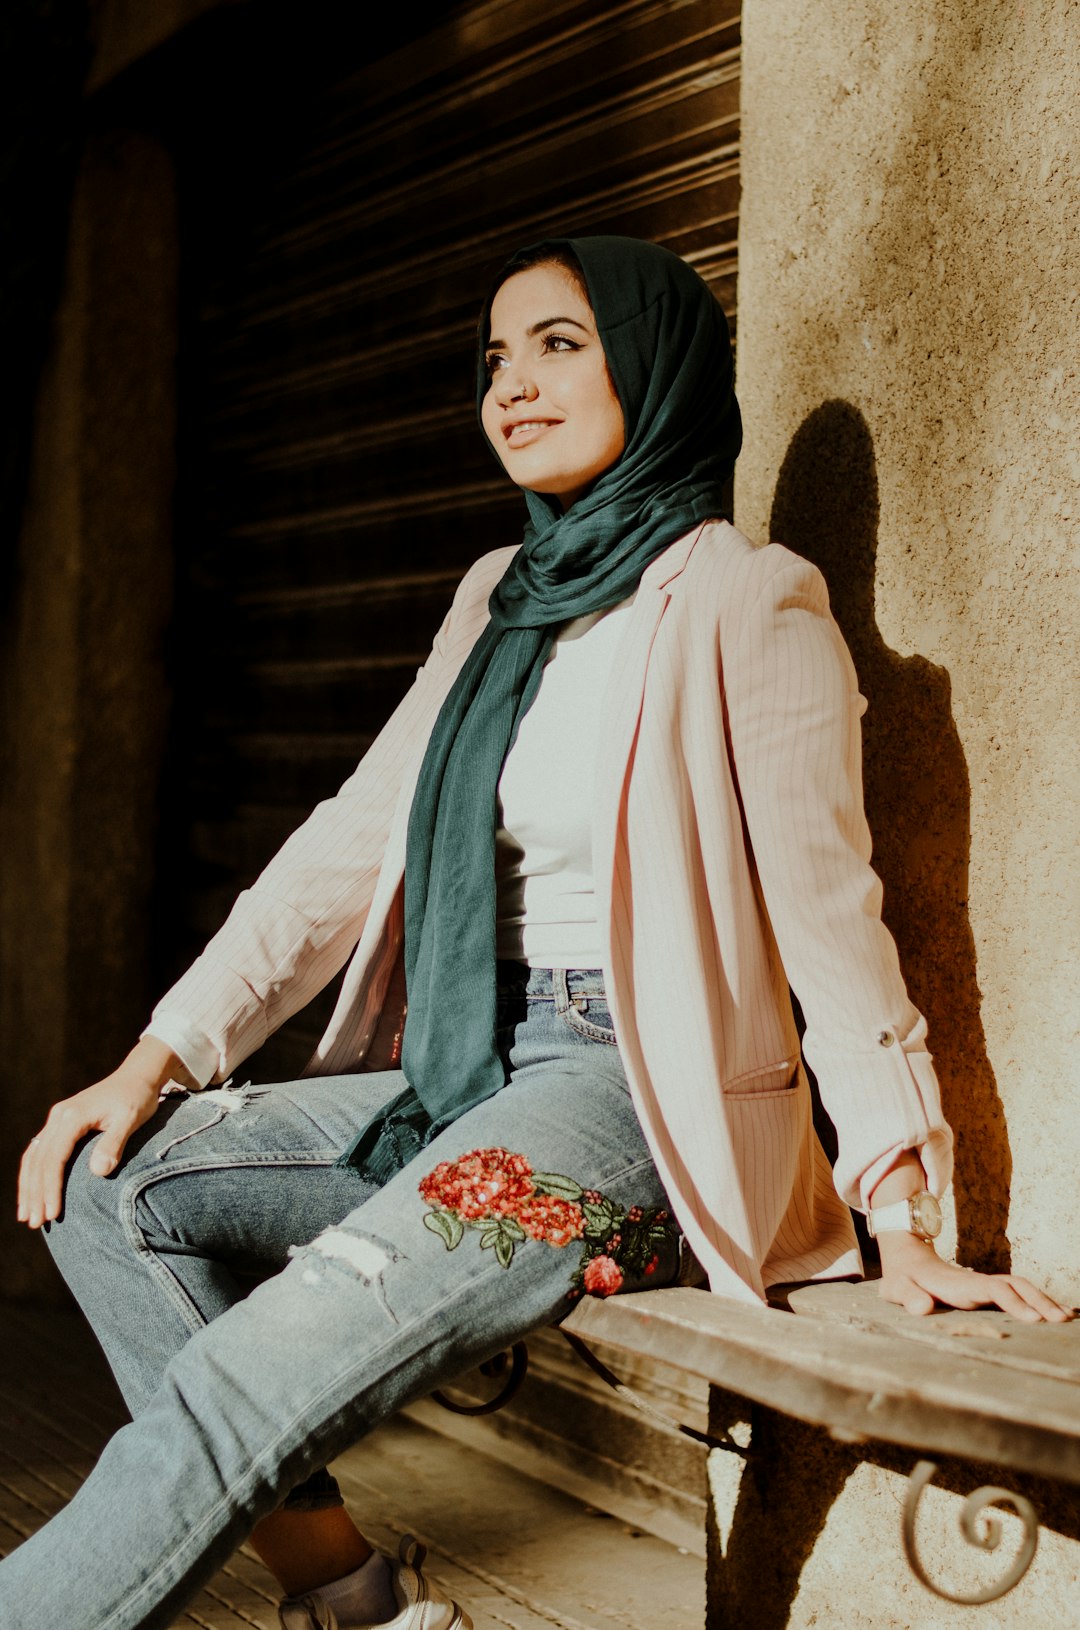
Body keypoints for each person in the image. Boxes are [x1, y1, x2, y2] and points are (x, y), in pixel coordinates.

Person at [6, 237, 1070, 1630]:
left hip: (622, 1095)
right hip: (462, 1068)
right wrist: (154, 1060)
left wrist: (905, 1202)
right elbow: (346, 841)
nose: (512, 383)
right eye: (495, 358)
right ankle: (361, 1602)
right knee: (109, 1180)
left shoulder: (749, 603)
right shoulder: (496, 595)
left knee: (243, 1380)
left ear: (656, 362)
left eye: (559, 343)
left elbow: (831, 916)